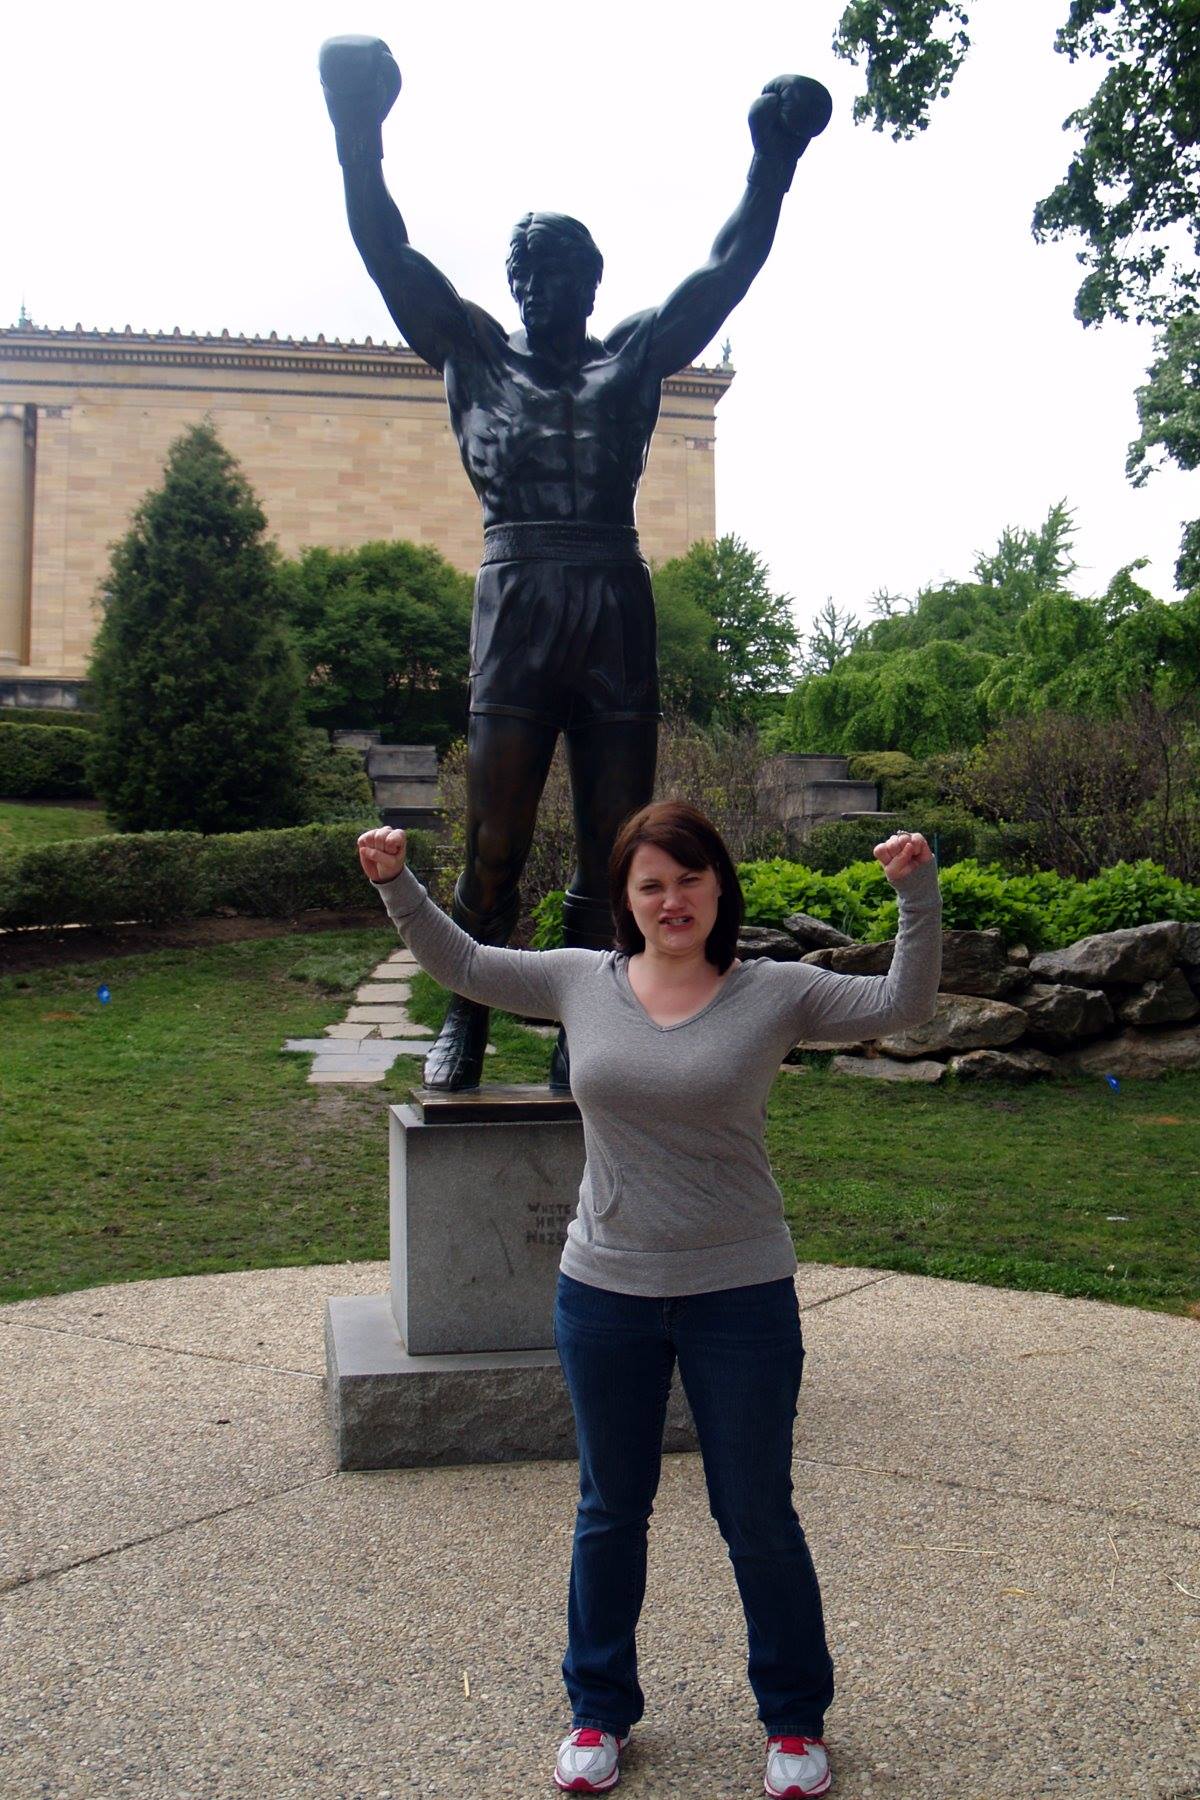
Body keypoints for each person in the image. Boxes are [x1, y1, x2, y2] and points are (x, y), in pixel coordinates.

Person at [357, 803, 942, 1797]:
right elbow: (461, 964)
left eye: (690, 878)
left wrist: (916, 894)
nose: (674, 899)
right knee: (609, 1508)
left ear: (720, 887)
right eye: (651, 884)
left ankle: (794, 1722)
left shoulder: (776, 992)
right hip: (606, 1294)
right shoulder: (581, 980)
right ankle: (598, 1713)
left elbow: (902, 1003)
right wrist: (395, 882)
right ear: (627, 901)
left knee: (756, 1511)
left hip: (741, 1296)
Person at [321, 34, 832, 1092]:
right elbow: (388, 253)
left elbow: (726, 271)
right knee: (494, 838)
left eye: (548, 270)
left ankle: (584, 1030)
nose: (527, 285)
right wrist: (357, 131)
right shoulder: (472, 351)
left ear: (588, 280)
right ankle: (465, 1012)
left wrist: (771, 161)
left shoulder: (633, 357)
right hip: (516, 596)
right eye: (518, 270)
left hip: (611, 595)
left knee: (619, 838)